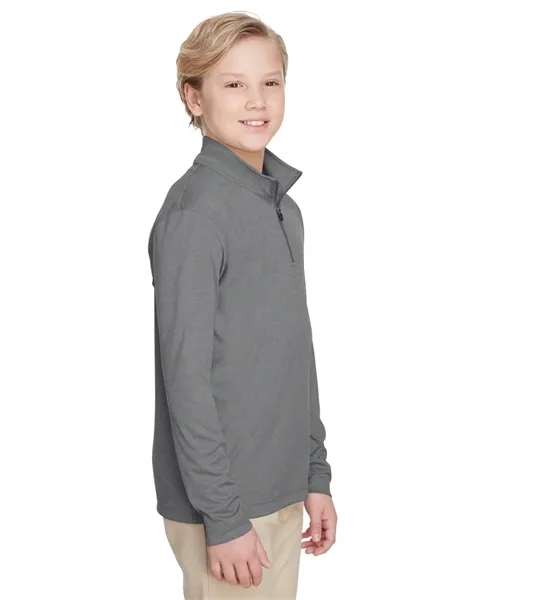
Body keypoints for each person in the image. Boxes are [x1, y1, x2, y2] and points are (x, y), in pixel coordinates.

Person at [147, 11, 337, 599]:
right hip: (225, 507)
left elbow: (295, 351)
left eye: (270, 81)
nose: (257, 100)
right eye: (233, 83)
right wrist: (224, 518)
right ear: (193, 97)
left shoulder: (282, 208)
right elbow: (186, 380)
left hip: (280, 488)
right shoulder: (195, 216)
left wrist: (315, 473)